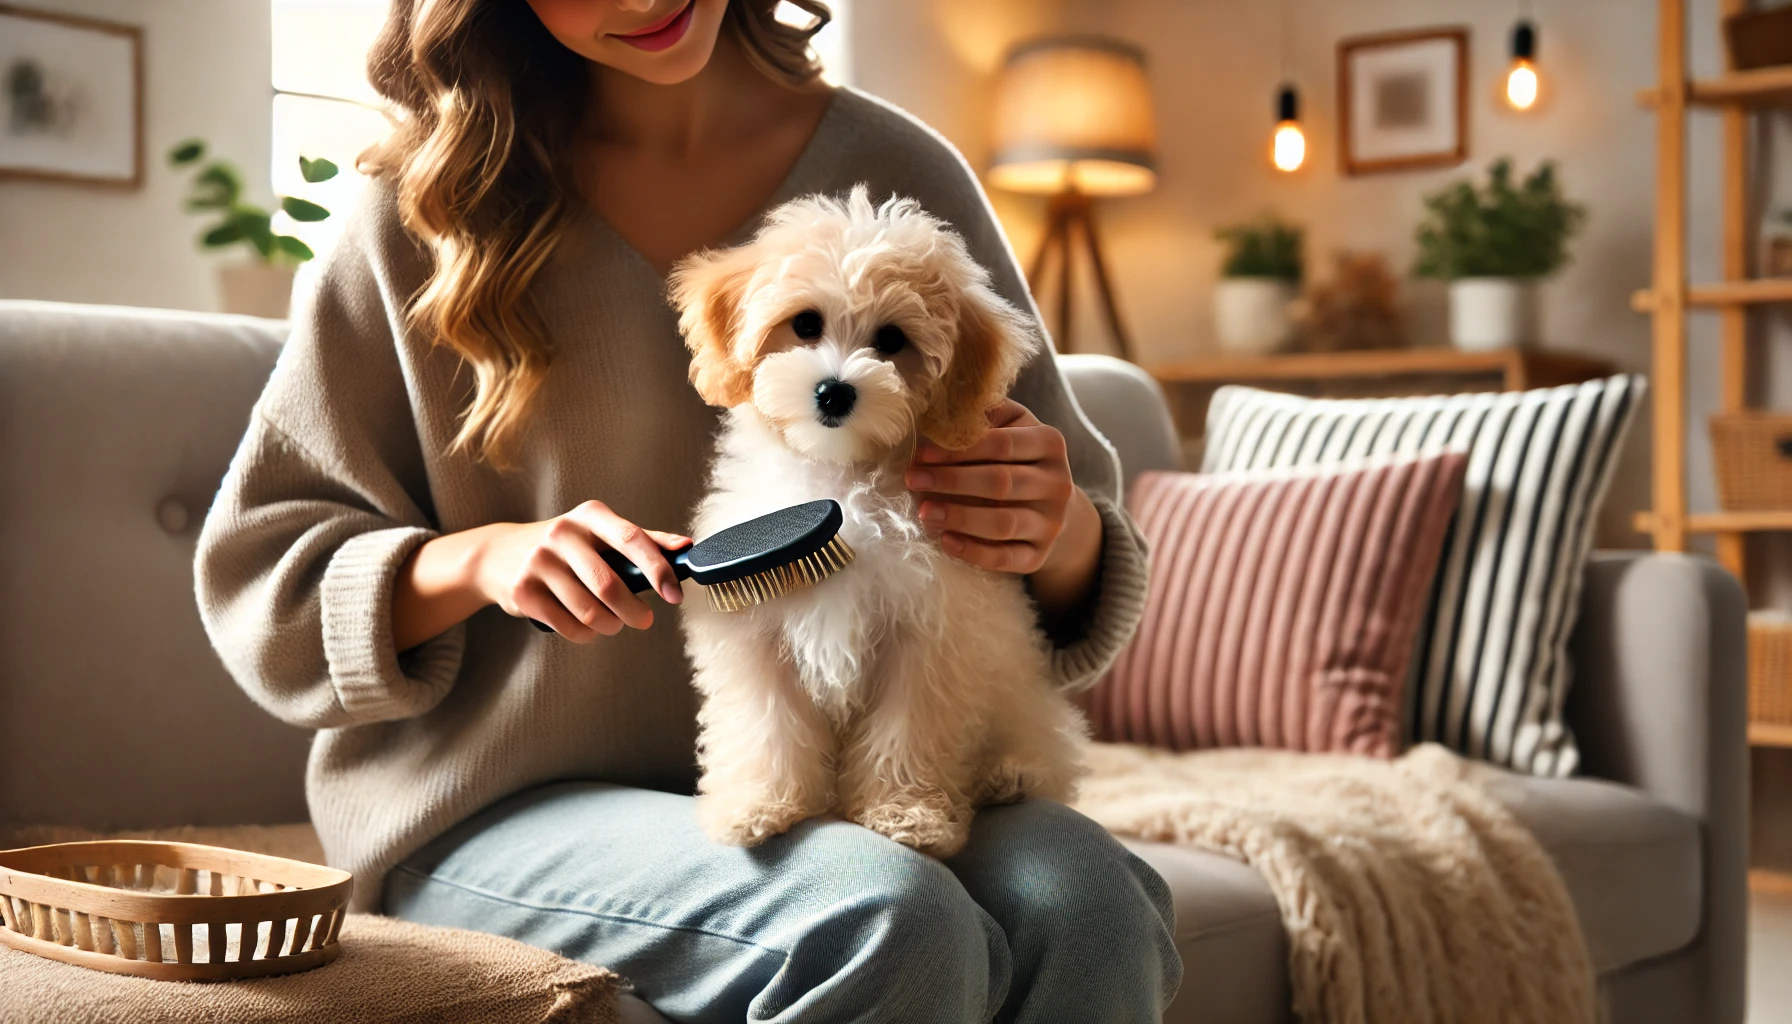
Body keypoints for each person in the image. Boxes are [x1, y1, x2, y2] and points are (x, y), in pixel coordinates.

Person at [196, 1, 1180, 1020]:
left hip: (838, 777)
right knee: (885, 912)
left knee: (1091, 898)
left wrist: (1054, 528)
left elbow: (1074, 551)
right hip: (487, 806)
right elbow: (264, 579)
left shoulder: (902, 171)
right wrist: (484, 560)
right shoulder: (426, 205)